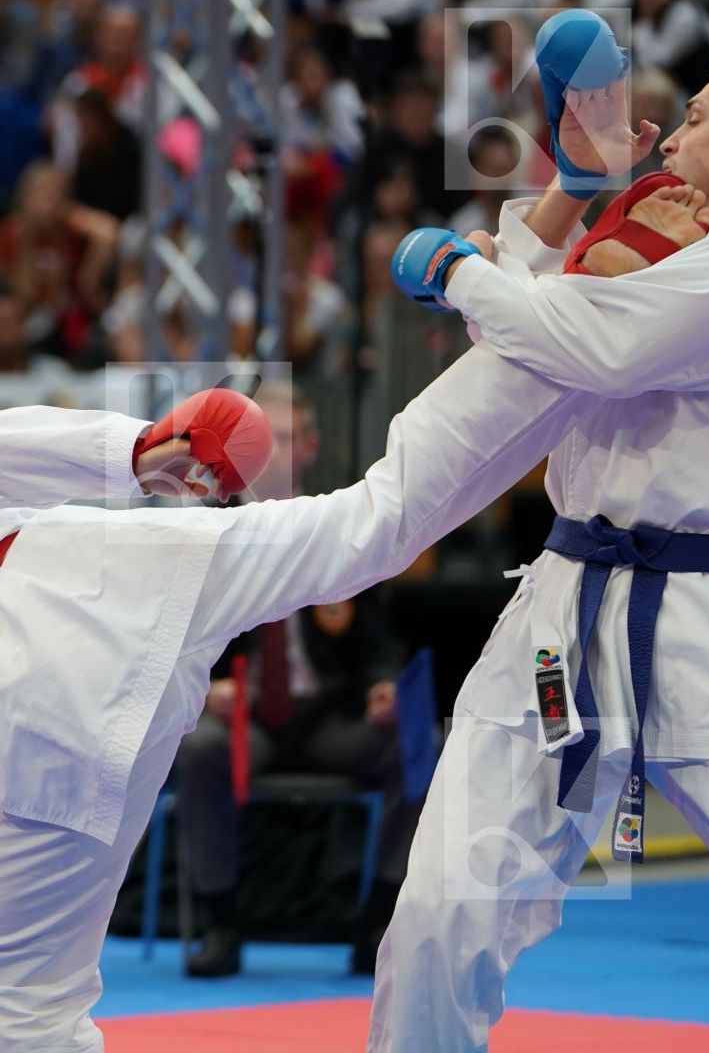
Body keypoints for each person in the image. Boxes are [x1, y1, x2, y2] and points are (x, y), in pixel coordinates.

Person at [0, 327, 609, 1048]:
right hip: (112, 574)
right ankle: (547, 341)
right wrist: (136, 452)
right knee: (368, 525)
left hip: (40, 728)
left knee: (16, 1000)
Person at [371, 37, 709, 1051]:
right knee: (442, 910)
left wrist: (457, 266)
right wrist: (573, 196)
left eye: (698, 119)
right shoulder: (668, 226)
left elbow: (602, 345)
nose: (674, 137)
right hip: (564, 607)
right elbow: (537, 343)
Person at [156, 384, 419, 979]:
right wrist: (203, 688)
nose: (274, 453)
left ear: (310, 447)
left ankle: (377, 920)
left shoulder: (343, 522)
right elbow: (169, 636)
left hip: (329, 714)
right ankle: (219, 920)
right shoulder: (203, 531)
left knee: (415, 742)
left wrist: (384, 686)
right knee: (199, 749)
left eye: (288, 438)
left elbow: (379, 636)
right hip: (243, 714)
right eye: (261, 439)